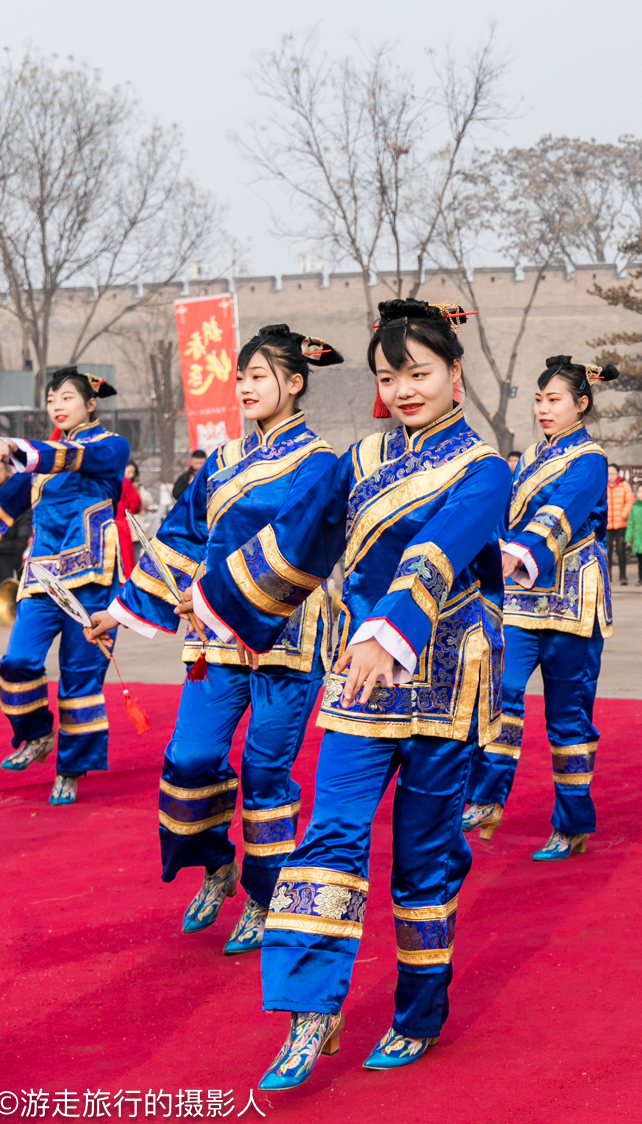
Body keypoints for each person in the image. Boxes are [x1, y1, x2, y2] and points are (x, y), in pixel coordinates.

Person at [188, 299, 510, 1086]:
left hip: (439, 682)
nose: (403, 388)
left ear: (454, 374)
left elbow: (438, 552)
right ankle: (311, 1012)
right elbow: (298, 540)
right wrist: (213, 598)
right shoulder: (360, 460)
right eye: (388, 375)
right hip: (358, 685)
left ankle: (417, 1013)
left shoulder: (484, 469)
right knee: (329, 835)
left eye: (418, 373)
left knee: (420, 860)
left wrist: (386, 628)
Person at [85, 324, 346, 953]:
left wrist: (207, 595)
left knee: (264, 773)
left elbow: (293, 549)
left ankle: (262, 896)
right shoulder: (223, 459)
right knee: (190, 758)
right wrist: (120, 613)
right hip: (216, 642)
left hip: (288, 636)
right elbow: (179, 537)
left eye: (259, 376)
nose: (246, 387)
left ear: (295, 383)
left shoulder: (321, 464)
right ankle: (217, 864)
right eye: (241, 377)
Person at [463, 355, 618, 859]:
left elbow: (558, 516)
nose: (543, 409)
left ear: (581, 404)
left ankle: (572, 822)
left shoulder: (590, 460)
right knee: (500, 691)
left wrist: (511, 555)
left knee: (566, 716)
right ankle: (486, 796)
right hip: (522, 594)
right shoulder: (530, 456)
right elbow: (506, 516)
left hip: (571, 596)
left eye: (554, 400)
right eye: (538, 400)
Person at [0, 369, 131, 805]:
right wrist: (3, 466)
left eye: (67, 396)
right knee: (17, 660)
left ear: (91, 403)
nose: (57, 404)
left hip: (92, 580)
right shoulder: (40, 462)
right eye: (52, 397)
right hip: (42, 581)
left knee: (80, 679)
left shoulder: (109, 447)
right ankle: (36, 735)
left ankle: (70, 770)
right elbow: (2, 504)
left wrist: (15, 448)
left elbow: (68, 455)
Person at [604, 462, 632, 587]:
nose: (611, 476)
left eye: (613, 473)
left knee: (621, 551)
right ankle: (607, 577)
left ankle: (623, 576)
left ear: (618, 474)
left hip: (621, 524)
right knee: (606, 552)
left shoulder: (624, 485)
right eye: (609, 473)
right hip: (607, 525)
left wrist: (624, 514)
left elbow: (630, 500)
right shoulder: (602, 485)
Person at [115, 460, 144, 569]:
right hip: (121, 525)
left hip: (100, 526)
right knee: (126, 563)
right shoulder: (124, 482)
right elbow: (135, 503)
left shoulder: (101, 480)